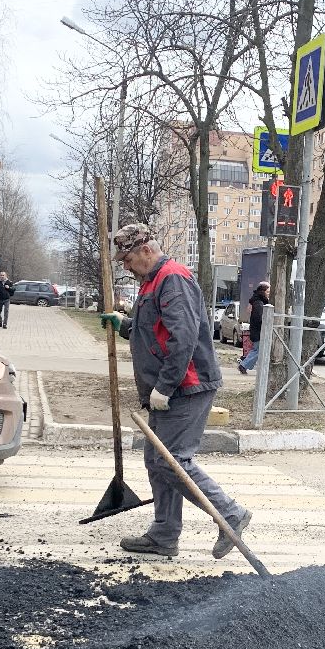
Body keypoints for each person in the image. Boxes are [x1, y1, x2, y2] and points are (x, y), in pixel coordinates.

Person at [98, 224, 251, 559]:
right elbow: (155, 332)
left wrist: (164, 388)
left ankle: (231, 513)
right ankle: (165, 534)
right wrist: (123, 325)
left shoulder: (172, 278)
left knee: (173, 461)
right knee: (157, 460)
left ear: (145, 250)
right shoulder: (152, 282)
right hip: (171, 387)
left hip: (186, 386)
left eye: (126, 258)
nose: (124, 265)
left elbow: (183, 338)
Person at [236, 281, 270, 375]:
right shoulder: (259, 303)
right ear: (262, 292)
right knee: (258, 350)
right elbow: (259, 318)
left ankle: (244, 363)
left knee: (257, 350)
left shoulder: (257, 302)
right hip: (259, 331)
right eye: (267, 292)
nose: (268, 294)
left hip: (256, 330)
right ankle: (243, 365)